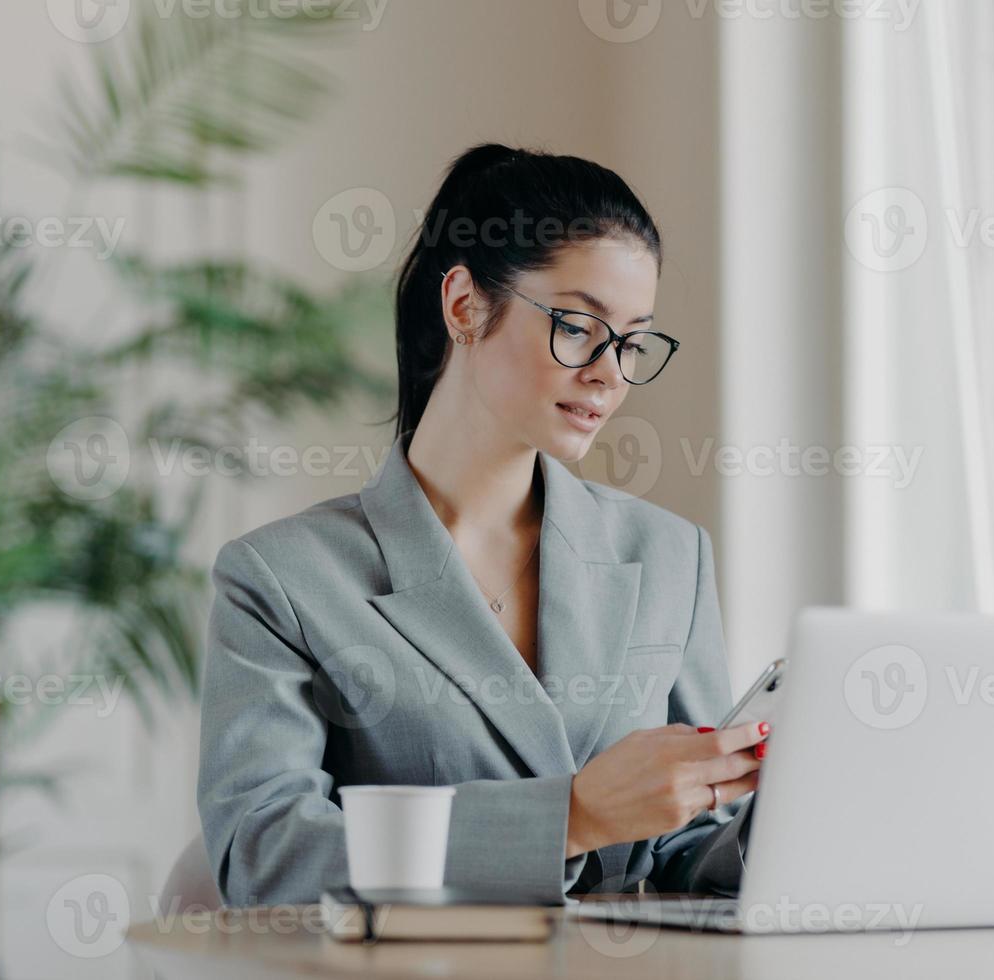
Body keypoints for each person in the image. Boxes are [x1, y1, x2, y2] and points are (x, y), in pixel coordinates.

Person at [195, 142, 768, 908]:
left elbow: (687, 854)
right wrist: (570, 818)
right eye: (578, 326)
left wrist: (783, 826)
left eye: (633, 342)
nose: (609, 373)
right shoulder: (284, 578)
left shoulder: (668, 555)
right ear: (464, 304)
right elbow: (265, 859)